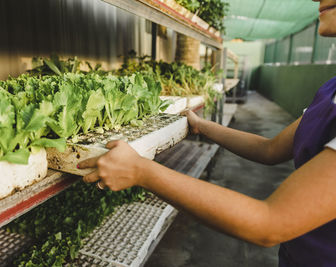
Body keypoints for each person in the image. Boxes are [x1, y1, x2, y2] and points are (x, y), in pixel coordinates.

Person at [79, 0, 336, 265]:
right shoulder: (331, 89)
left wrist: (141, 171)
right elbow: (269, 149)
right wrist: (202, 126)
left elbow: (270, 223)